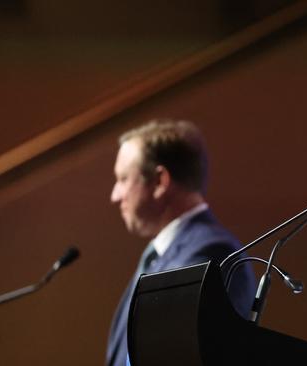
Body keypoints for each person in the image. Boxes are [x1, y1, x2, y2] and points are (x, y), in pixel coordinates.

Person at [106, 119, 255, 366]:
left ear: (159, 182)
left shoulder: (211, 253)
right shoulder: (159, 253)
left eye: (123, 179)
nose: (115, 196)